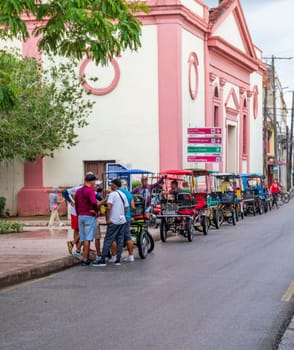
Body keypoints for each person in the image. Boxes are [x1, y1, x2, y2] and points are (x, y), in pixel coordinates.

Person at [93, 178, 129, 267]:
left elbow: (108, 207)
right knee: (120, 240)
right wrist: (123, 216)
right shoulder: (123, 194)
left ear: (114, 185)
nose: (110, 185)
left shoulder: (112, 194)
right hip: (122, 221)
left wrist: (108, 219)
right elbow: (125, 208)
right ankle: (118, 260)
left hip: (114, 221)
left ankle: (102, 260)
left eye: (111, 184)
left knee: (108, 240)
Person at [75, 174, 99, 266]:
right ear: (92, 181)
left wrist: (78, 214)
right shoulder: (90, 191)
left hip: (80, 216)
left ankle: (82, 255)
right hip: (89, 215)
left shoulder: (78, 191)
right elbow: (94, 202)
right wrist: (96, 211)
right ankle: (85, 259)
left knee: (83, 236)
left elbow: (76, 204)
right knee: (87, 239)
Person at [110, 179, 136, 263]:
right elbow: (133, 207)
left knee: (113, 237)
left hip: (115, 218)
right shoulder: (128, 193)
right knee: (128, 237)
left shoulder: (113, 193)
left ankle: (114, 257)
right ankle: (131, 256)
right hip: (126, 218)